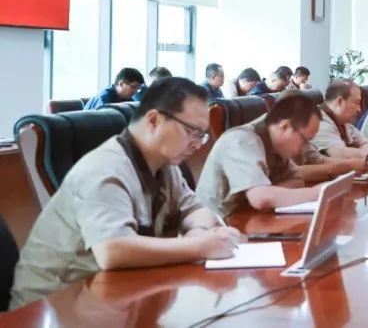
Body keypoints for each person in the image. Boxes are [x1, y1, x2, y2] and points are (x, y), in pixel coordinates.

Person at [10, 78, 245, 309]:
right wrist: (200, 247)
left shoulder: (164, 166)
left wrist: (198, 233)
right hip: (51, 307)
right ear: (153, 120)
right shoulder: (105, 168)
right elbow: (113, 250)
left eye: (202, 135)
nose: (197, 144)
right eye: (192, 131)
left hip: (115, 295)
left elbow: (197, 210)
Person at [197, 94, 362, 216]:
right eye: (305, 140)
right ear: (285, 126)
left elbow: (296, 181)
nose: (305, 148)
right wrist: (316, 193)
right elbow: (261, 198)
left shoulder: (277, 145)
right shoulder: (241, 141)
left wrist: (273, 194)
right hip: (217, 227)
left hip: (249, 219)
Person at [311, 79, 368, 159]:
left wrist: (365, 151)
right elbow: (341, 156)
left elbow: (365, 143)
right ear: (340, 101)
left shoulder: (343, 121)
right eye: (356, 103)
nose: (359, 109)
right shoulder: (319, 121)